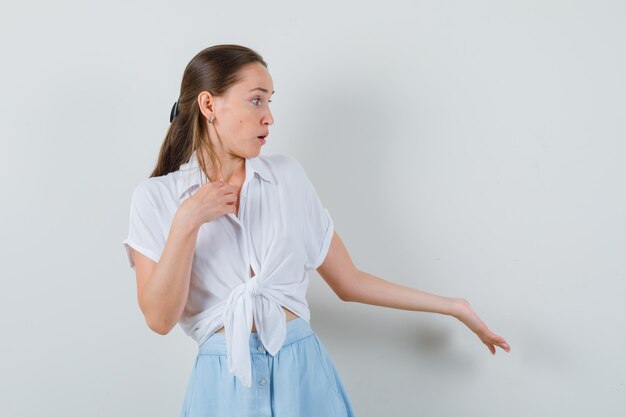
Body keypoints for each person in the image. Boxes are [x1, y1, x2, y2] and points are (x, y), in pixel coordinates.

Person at [122, 44, 510, 417]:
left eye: (270, 101)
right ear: (209, 105)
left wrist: (453, 307)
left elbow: (349, 281)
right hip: (222, 385)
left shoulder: (287, 178)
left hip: (303, 376)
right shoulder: (157, 198)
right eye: (257, 99)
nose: (269, 117)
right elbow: (159, 319)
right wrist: (188, 221)